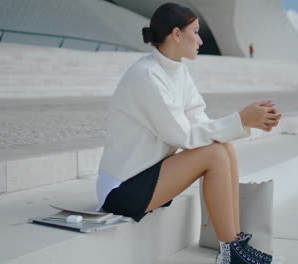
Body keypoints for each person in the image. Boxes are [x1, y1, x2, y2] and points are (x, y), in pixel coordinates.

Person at [96, 3, 282, 264]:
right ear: (176, 34)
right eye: (195, 32)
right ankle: (230, 252)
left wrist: (248, 121)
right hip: (121, 189)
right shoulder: (146, 76)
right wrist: (240, 118)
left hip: (147, 173)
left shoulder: (177, 71)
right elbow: (182, 135)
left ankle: (234, 242)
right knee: (215, 155)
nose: (200, 39)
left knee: (223, 147)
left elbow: (201, 123)